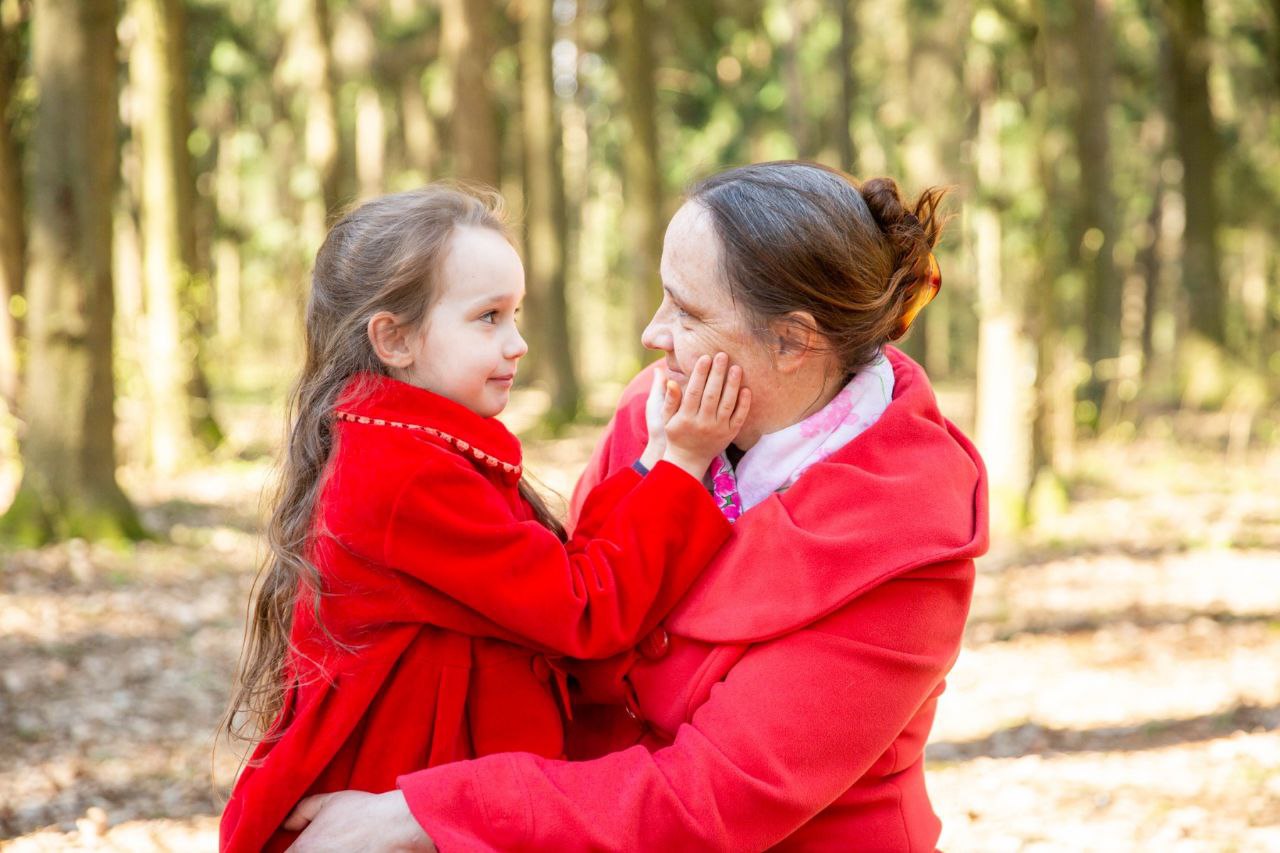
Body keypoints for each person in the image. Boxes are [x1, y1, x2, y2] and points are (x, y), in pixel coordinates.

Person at [284, 162, 990, 852]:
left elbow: (711, 800)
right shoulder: (661, 413)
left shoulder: (906, 544)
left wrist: (426, 813)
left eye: (686, 309)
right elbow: (576, 619)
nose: (653, 334)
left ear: (792, 339)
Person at [218, 185, 753, 853]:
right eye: (488, 317)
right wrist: (682, 462)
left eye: (517, 312)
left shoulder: (409, 444)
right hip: (393, 797)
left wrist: (651, 458)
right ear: (395, 338)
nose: (519, 342)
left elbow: (554, 574)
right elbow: (582, 611)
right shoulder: (406, 475)